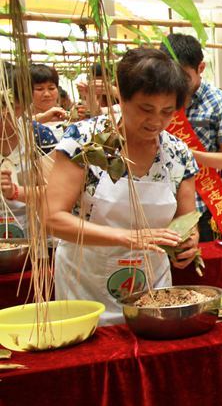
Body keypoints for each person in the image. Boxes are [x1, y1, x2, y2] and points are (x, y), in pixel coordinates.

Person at [46, 48, 200, 326]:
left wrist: (188, 244)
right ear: (121, 96)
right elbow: (53, 219)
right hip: (85, 285)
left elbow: (186, 221)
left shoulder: (179, 155)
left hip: (151, 291)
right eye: (145, 109)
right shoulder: (85, 141)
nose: (156, 121)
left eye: (167, 112)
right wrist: (127, 237)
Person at [164, 33, 222, 242]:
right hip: (163, 206)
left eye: (184, 77)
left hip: (203, 206)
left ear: (201, 68)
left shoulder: (220, 103)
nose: (177, 83)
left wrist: (185, 153)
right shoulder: (162, 100)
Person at [0, 64, 58, 238]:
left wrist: (15, 192)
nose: (4, 115)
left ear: (25, 105)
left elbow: (55, 191)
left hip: (34, 238)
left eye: (14, 109)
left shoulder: (38, 136)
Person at [30, 64, 68, 142]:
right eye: (39, 89)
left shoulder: (67, 118)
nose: (47, 94)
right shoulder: (20, 121)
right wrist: (42, 118)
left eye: (51, 88)